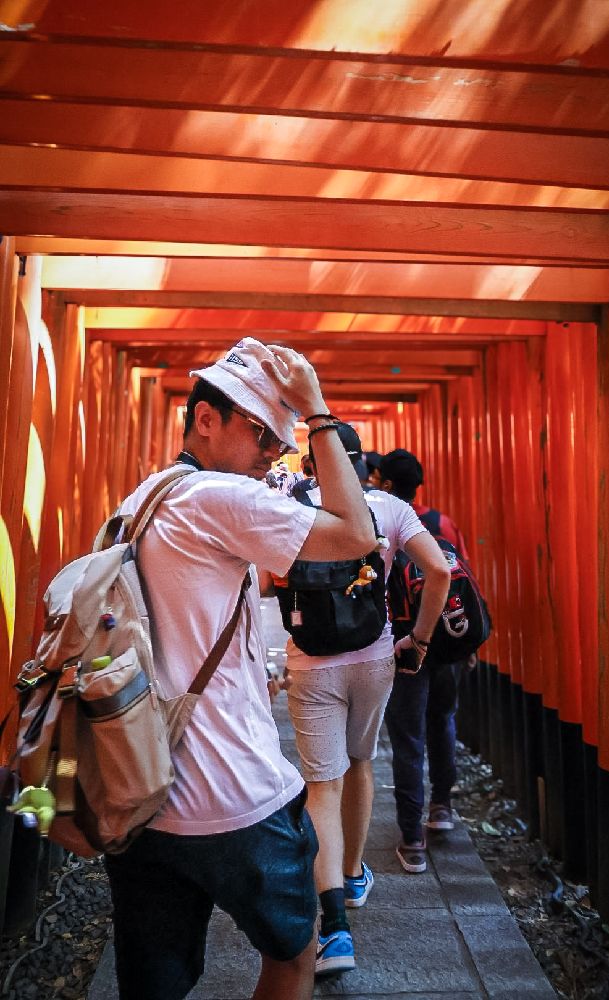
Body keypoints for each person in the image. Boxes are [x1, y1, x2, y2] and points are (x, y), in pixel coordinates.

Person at [105, 337, 378, 1000]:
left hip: (143, 795)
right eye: (263, 431)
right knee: (295, 952)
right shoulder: (217, 497)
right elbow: (356, 533)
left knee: (155, 985)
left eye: (283, 439)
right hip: (233, 793)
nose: (275, 451)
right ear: (205, 418)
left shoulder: (142, 499)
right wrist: (317, 411)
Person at [266, 426, 450, 976]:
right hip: (374, 657)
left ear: (311, 464)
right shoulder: (388, 508)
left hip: (310, 662)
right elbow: (439, 571)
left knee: (322, 787)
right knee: (361, 762)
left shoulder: (289, 509)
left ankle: (335, 932)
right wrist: (419, 640)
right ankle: (351, 876)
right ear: (364, 465)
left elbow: (265, 582)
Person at [377, 448, 470, 874]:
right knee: (443, 719)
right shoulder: (440, 523)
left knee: (408, 738)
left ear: (386, 483)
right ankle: (442, 805)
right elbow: (462, 582)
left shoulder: (383, 522)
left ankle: (412, 838)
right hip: (447, 642)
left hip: (406, 644)